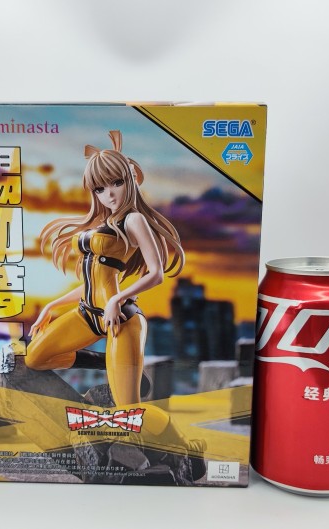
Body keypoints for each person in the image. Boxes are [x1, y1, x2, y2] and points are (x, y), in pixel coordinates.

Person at [25, 131, 205, 473]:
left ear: (130, 181)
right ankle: (101, 362)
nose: (109, 194)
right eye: (99, 188)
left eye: (116, 183)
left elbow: (156, 273)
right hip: (88, 313)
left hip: (121, 319)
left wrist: (118, 299)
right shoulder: (104, 222)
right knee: (35, 357)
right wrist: (51, 306)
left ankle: (184, 446)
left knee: (128, 413)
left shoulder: (134, 220)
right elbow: (91, 282)